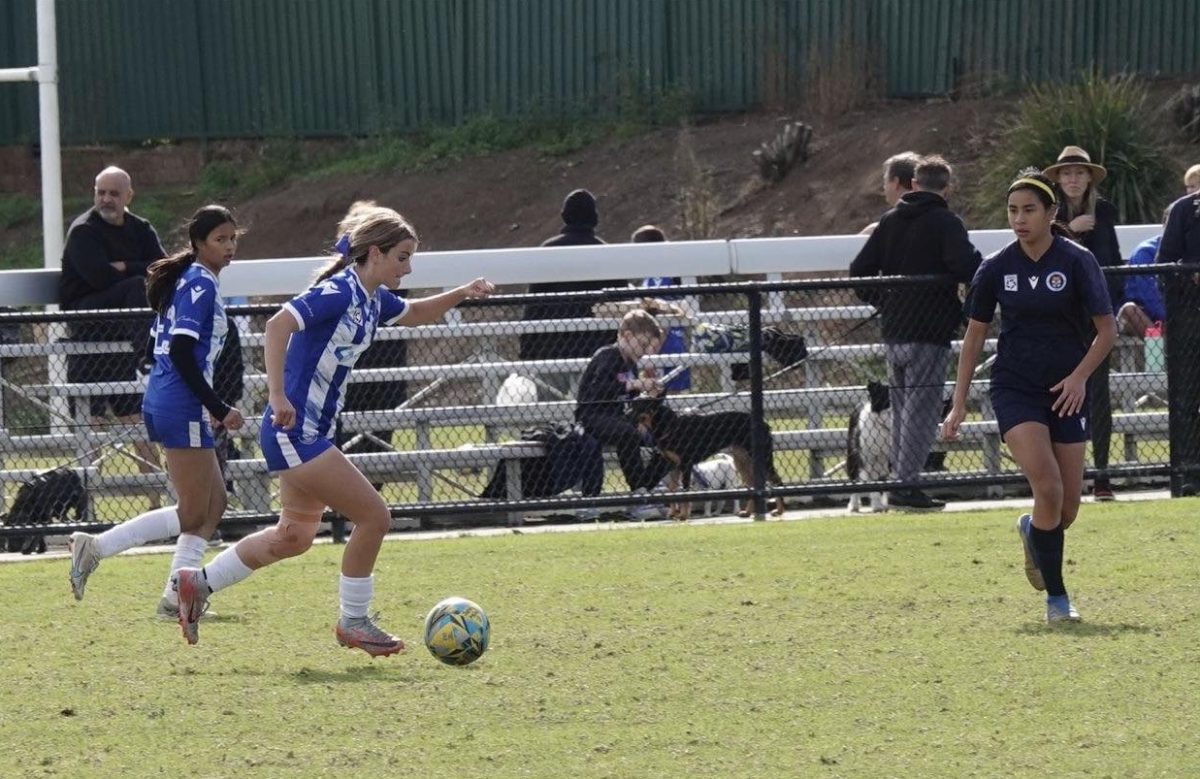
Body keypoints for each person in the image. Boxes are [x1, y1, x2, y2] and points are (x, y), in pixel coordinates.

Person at [171, 205, 494, 654]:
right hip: (294, 430)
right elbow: (278, 325)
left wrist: (463, 292)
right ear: (375, 253)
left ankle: (196, 584)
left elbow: (416, 313)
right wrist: (278, 395)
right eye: (402, 257)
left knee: (293, 538)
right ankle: (355, 622)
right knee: (375, 517)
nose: (409, 266)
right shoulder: (340, 291)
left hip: (310, 431)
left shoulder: (372, 298)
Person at [942, 169, 1115, 623]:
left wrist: (1079, 378)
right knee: (1049, 487)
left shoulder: (1077, 261)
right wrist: (959, 402)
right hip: (1015, 388)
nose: (1019, 219)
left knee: (1067, 508)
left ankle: (1032, 532)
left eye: (1029, 210)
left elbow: (1107, 330)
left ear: (1051, 213)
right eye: (1013, 211)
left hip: (1067, 391)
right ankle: (1058, 601)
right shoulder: (996, 267)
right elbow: (975, 337)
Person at [67, 205, 245, 620]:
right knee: (192, 510)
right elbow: (181, 351)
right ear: (199, 244)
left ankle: (174, 597)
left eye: (233, 238)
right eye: (221, 239)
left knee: (214, 504)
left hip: (175, 400)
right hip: (179, 403)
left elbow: (157, 346)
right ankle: (95, 549)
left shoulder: (191, 280)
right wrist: (216, 405)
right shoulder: (199, 284)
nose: (230, 246)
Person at [849, 155, 981, 510]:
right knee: (921, 412)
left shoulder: (889, 221)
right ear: (947, 189)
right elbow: (967, 266)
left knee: (902, 407)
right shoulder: (946, 222)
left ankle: (901, 480)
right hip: (930, 330)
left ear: (915, 184)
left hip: (894, 331)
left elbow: (858, 270)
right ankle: (905, 484)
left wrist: (884, 301)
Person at [59, 166, 166, 507]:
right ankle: (84, 507)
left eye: (114, 193)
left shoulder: (141, 228)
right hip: (88, 328)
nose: (106, 199)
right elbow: (99, 277)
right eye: (100, 192)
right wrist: (134, 268)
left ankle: (156, 504)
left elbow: (162, 267)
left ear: (128, 196)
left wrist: (124, 265)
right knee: (90, 427)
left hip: (123, 333)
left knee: (137, 423)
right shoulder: (83, 232)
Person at [1044, 146, 1124, 501]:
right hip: (1059, 320)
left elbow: (1113, 261)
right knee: (1058, 394)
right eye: (1067, 173)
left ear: (1089, 177)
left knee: (1099, 396)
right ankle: (1059, 477)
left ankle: (1102, 474)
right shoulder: (1049, 213)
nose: (1073, 179)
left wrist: (1109, 311)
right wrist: (1070, 231)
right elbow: (1043, 256)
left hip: (1096, 320)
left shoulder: (1103, 211)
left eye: (1079, 173)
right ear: (1059, 179)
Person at [519, 189, 622, 394]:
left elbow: (534, 304)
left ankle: (550, 427)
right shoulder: (607, 254)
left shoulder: (549, 251)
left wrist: (527, 347)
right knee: (592, 404)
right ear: (595, 217)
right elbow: (619, 304)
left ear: (565, 214)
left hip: (551, 345)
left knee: (551, 407)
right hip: (597, 346)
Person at [575, 309, 672, 519]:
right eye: (644, 344)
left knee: (669, 431)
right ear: (627, 336)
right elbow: (600, 389)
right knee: (628, 434)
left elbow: (629, 397)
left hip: (617, 417)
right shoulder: (608, 355)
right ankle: (639, 495)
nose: (646, 351)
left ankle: (648, 486)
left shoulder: (630, 363)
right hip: (593, 416)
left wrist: (652, 394)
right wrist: (634, 384)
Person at [1155, 165, 1200, 496]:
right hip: (1190, 322)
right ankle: (1189, 473)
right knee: (1187, 398)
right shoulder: (1184, 211)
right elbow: (1163, 266)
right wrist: (1189, 276)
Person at [633, 224, 691, 392]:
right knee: (653, 394)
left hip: (671, 340)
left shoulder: (673, 274)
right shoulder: (647, 278)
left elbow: (685, 307)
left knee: (674, 393)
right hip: (648, 343)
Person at [860, 152, 920, 235]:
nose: (884, 187)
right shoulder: (938, 221)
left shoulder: (879, 231)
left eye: (885, 181)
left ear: (896, 182)